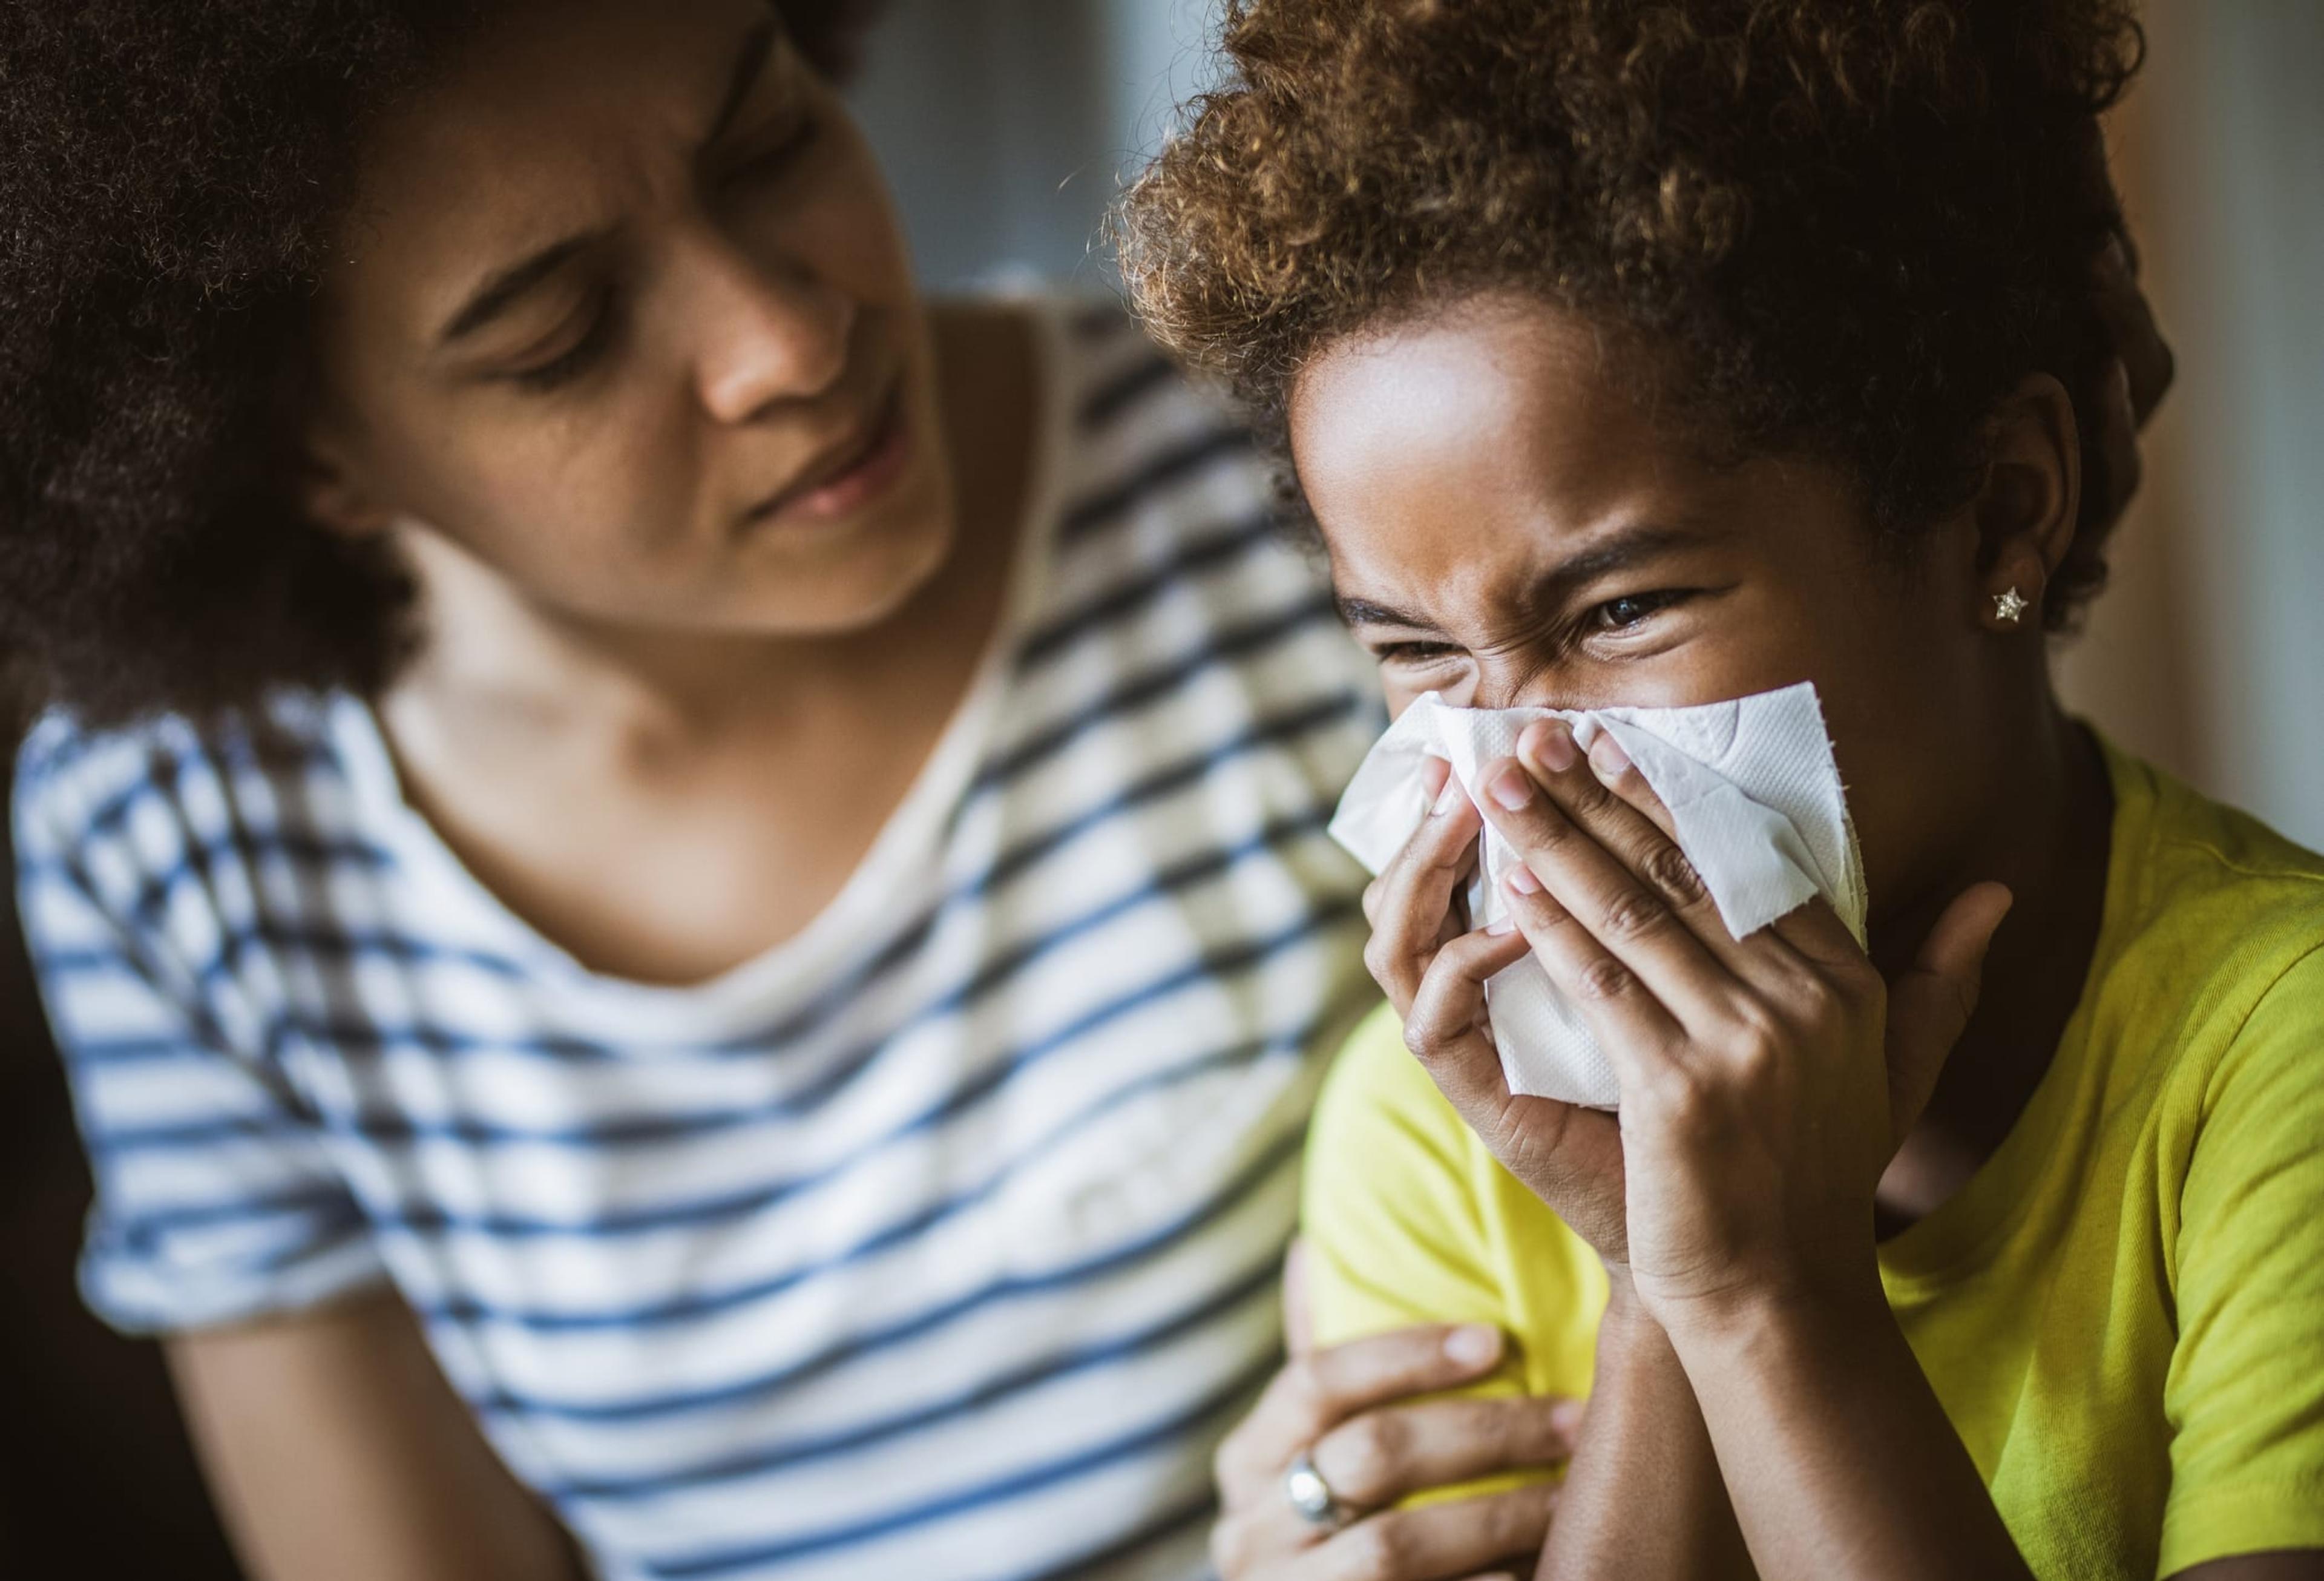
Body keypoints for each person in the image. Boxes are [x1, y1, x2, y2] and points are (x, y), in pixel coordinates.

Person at [0, 2, 1602, 1577]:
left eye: (765, 146)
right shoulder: (178, 843)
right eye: (560, 336)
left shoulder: (1297, 472)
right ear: (311, 458)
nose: (788, 339)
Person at [1120, 0, 2324, 1577]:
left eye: (1620, 612)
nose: (1514, 767)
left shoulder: (2275, 1054)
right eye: (1416, 649)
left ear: (2001, 512)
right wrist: (1655, 1281)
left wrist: (1769, 1296)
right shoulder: (1431, 1131)